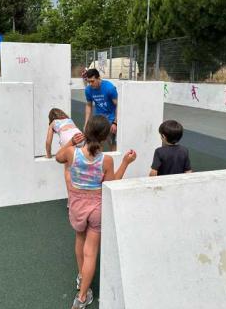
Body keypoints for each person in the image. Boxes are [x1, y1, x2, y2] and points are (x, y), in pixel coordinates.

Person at [56, 115, 136, 309]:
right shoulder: (106, 161)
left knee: (79, 240)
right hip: (96, 207)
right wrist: (126, 162)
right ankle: (82, 297)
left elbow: (58, 157)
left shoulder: (71, 153)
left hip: (76, 204)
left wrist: (70, 142)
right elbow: (112, 184)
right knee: (91, 253)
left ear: (85, 129)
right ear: (105, 136)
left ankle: (81, 277)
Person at [84, 69, 118, 151]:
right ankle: (99, 163)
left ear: (98, 78)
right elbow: (89, 105)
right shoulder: (88, 90)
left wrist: (115, 122)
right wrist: (86, 123)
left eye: (92, 81)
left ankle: (114, 161)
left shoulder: (109, 88)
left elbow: (118, 105)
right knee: (97, 144)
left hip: (111, 119)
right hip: (99, 120)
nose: (91, 84)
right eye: (89, 82)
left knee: (112, 143)